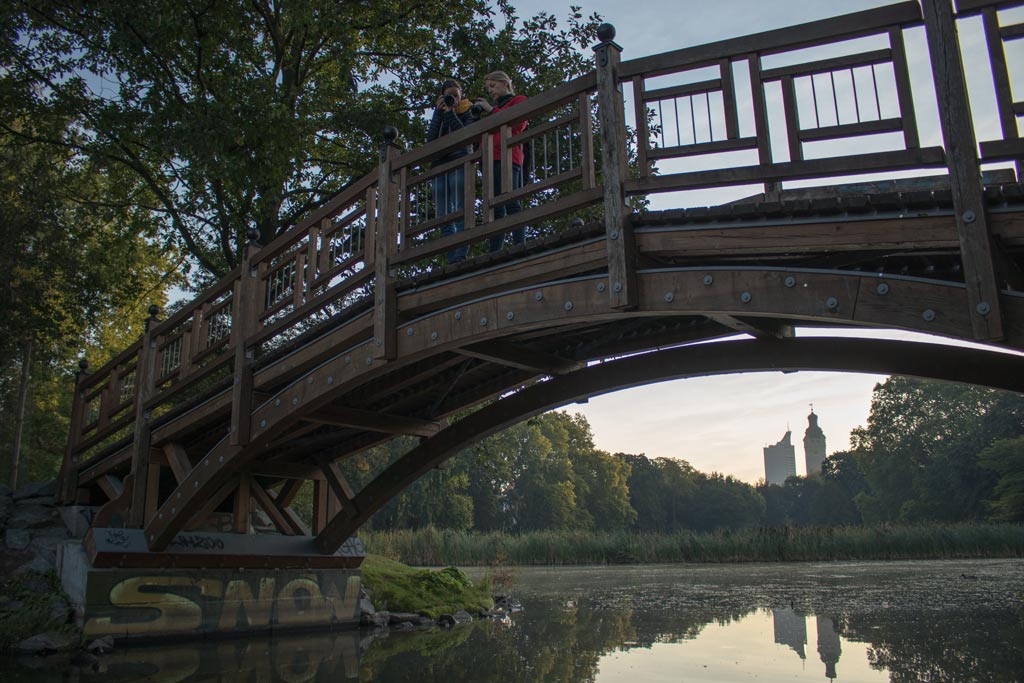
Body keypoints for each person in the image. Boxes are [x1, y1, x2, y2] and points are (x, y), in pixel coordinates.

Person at [472, 70, 528, 252]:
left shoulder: (518, 100)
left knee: (511, 200)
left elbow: (517, 124)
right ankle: (495, 250)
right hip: (490, 160)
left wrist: (491, 110)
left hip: (509, 158)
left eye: (493, 86)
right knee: (495, 207)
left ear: (505, 83)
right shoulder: (495, 110)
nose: (491, 91)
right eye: (488, 88)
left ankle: (520, 243)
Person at [426, 79, 474, 263]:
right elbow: (430, 139)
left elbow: (464, 135)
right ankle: (451, 256)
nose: (453, 98)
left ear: (461, 94)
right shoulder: (440, 111)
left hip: (460, 160)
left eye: (456, 94)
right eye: (449, 95)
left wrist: (450, 114)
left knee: (461, 209)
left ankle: (461, 252)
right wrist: (439, 113)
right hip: (439, 165)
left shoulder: (468, 111)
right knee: (443, 214)